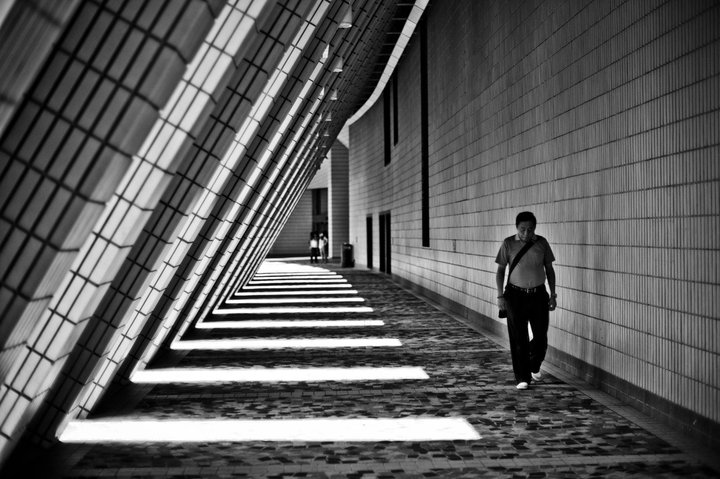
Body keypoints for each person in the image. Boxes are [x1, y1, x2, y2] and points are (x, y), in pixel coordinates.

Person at [495, 211, 557, 390]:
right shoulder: (508, 244)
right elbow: (500, 271)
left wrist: (553, 294)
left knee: (540, 337)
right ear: (517, 228)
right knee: (518, 337)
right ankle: (522, 377)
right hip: (515, 296)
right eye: (522, 229)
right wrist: (500, 297)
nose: (526, 233)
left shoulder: (542, 243)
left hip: (538, 295)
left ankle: (534, 363)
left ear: (535, 228)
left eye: (530, 229)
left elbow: (549, 270)